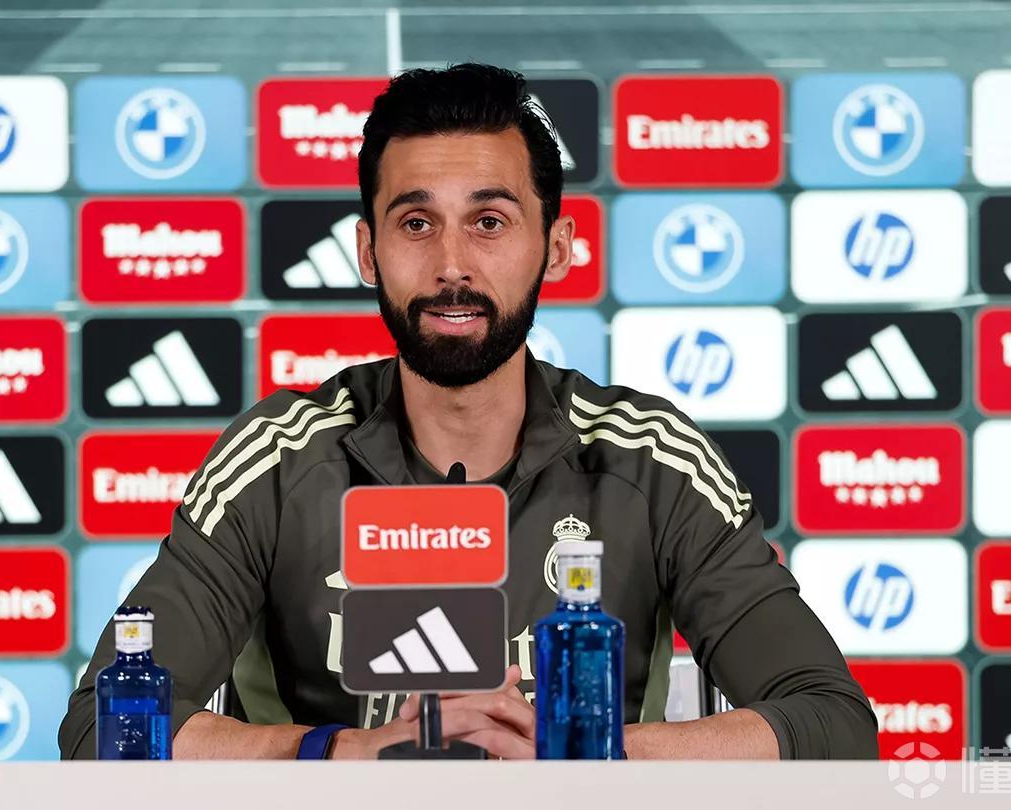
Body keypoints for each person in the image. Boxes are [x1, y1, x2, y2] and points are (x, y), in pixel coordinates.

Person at [60, 63, 877, 761]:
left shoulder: (650, 457)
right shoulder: (277, 458)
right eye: (416, 223)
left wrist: (586, 752)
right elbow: (103, 728)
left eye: (490, 222)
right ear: (368, 251)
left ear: (556, 245)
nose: (451, 264)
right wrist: (342, 755)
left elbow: (833, 724)